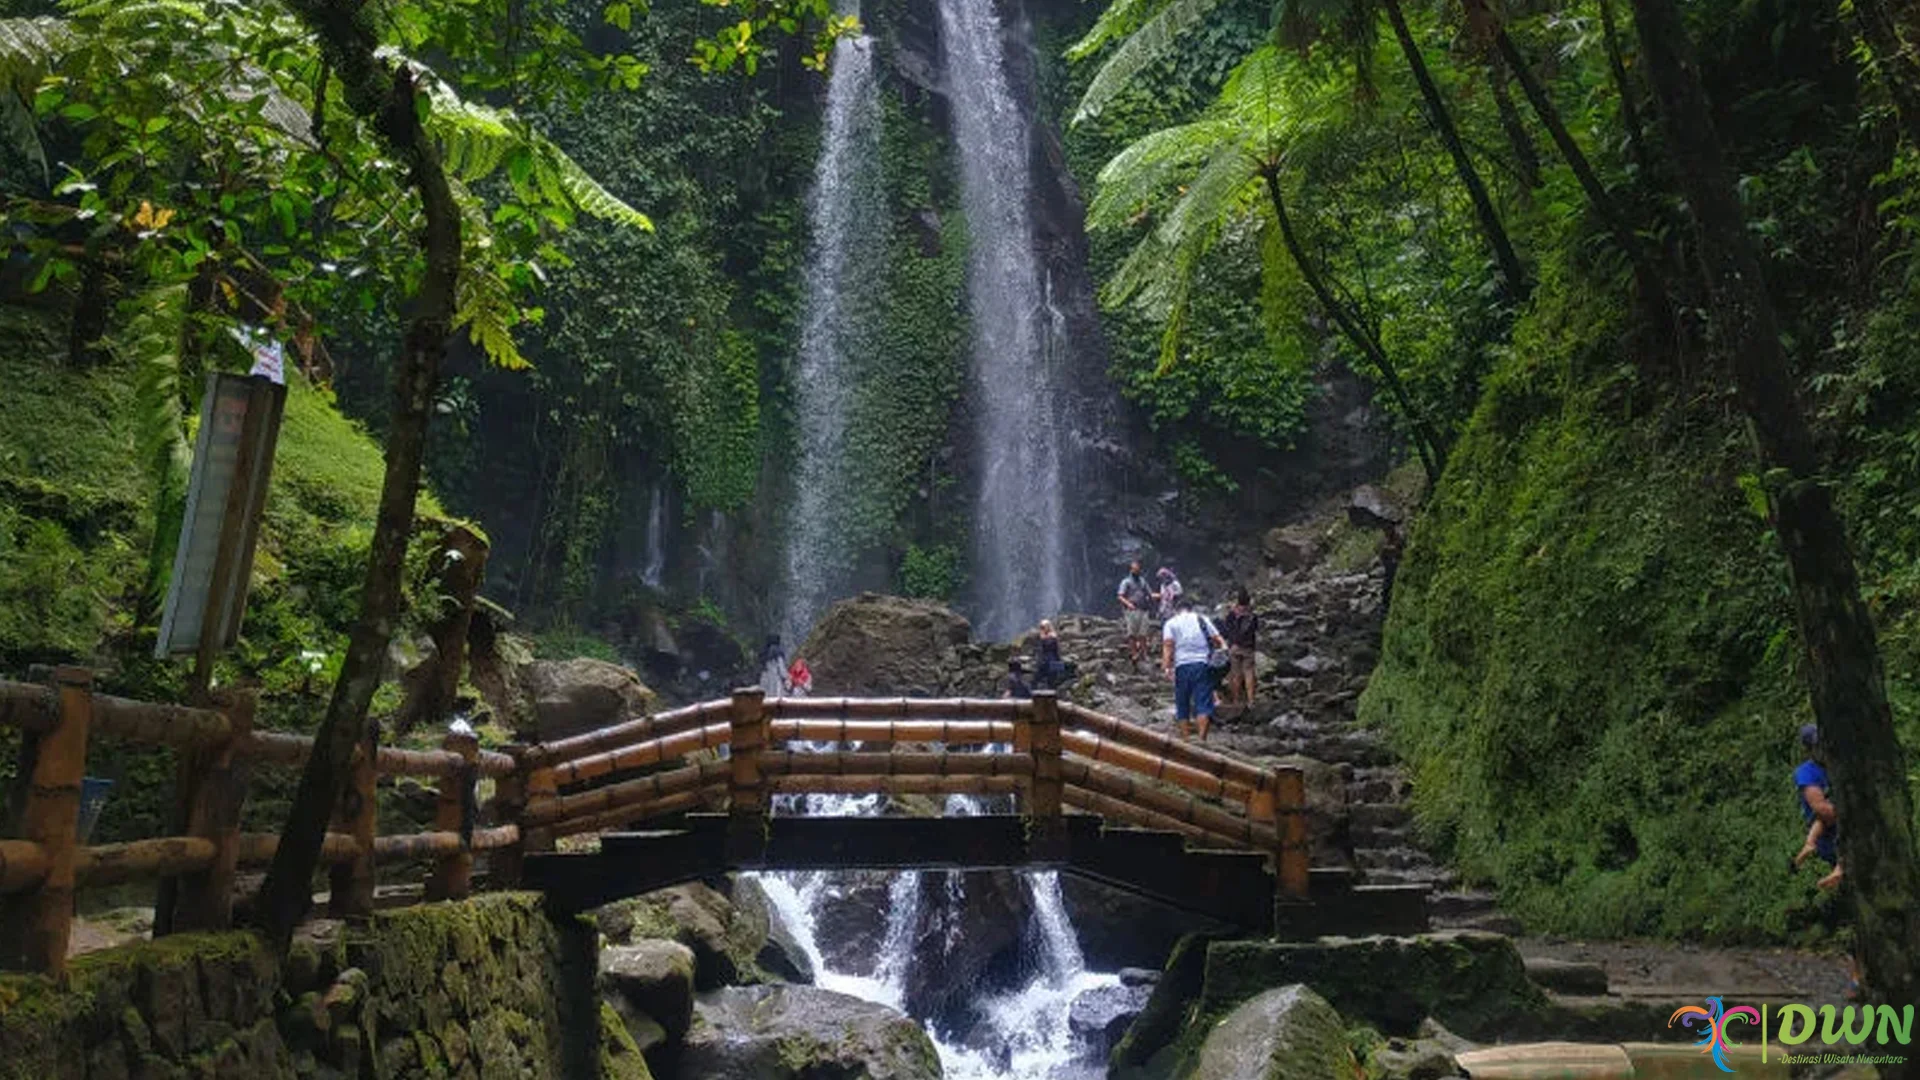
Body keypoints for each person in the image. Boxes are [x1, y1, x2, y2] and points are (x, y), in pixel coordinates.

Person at [1791, 723, 1858, 997]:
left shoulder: (1842, 765)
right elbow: (1822, 810)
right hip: (1835, 836)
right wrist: (1855, 809)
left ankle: (1861, 977)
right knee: (1855, 911)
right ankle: (1858, 978)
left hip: (1847, 830)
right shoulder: (1807, 773)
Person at [1162, 595, 1226, 740]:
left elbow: (1168, 645)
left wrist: (1167, 667)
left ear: (1177, 610)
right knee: (1203, 702)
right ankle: (1202, 739)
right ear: (1191, 609)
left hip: (1181, 666)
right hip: (1202, 664)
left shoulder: (1171, 623)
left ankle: (1185, 739)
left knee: (1182, 703)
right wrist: (1222, 654)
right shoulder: (1202, 619)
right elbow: (1218, 639)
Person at [1221, 588, 1259, 707]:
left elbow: (1226, 628)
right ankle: (1251, 700)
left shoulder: (1233, 615)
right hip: (1248, 648)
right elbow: (1255, 630)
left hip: (1234, 647)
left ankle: (1236, 700)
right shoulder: (1253, 616)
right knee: (1249, 673)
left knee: (1235, 674)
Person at [1117, 560, 1155, 669]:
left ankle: (1144, 654)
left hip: (1143, 609)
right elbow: (1120, 596)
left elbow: (1149, 594)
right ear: (1131, 570)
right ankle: (1134, 653)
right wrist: (1128, 604)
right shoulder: (1126, 582)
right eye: (1134, 569)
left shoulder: (1143, 581)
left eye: (1138, 569)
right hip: (1131, 610)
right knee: (1132, 633)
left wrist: (1163, 596)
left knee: (1143, 633)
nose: (1136, 571)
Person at [1034, 619, 1068, 690]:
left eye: (1043, 627)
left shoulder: (1052, 636)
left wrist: (1043, 638)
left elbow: (1050, 646)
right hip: (1044, 659)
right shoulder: (1042, 636)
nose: (1042, 629)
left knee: (1051, 676)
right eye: (1041, 627)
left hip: (1051, 658)